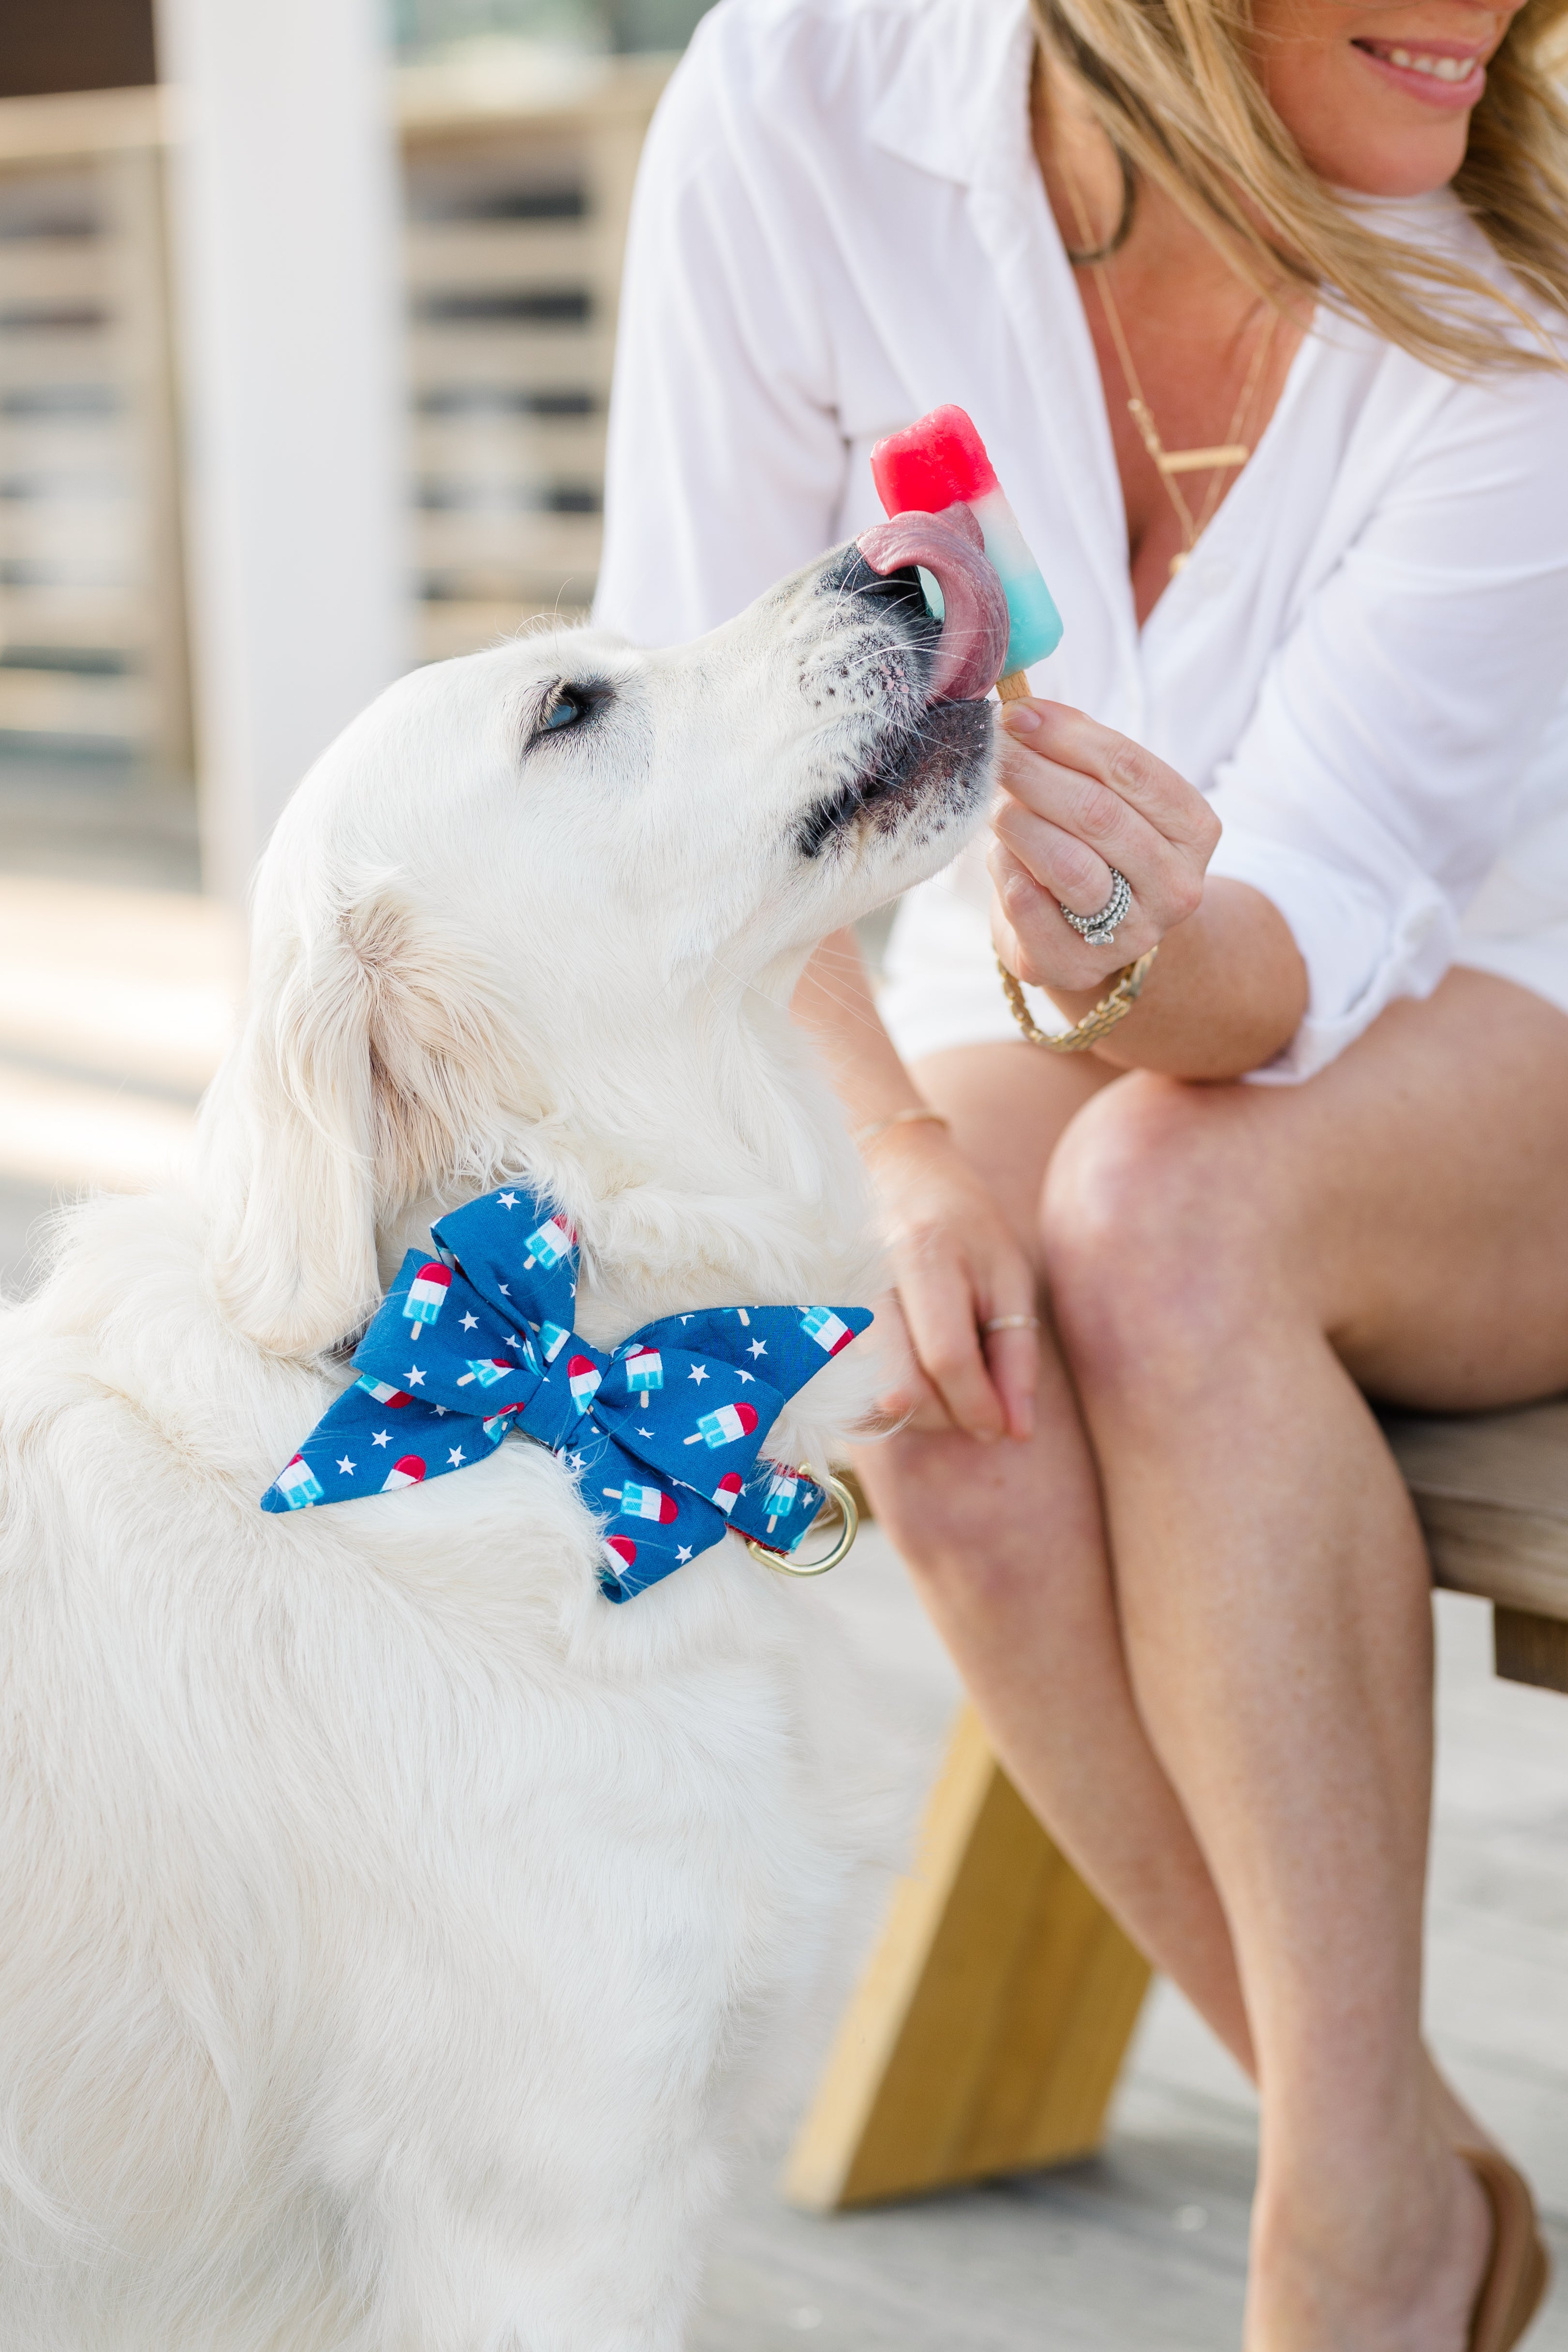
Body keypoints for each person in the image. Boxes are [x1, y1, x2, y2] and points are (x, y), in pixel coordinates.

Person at [592, 0, 1568, 2339]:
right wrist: (903, 1152)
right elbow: (687, 747)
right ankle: (1387, 2152)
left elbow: (1284, 951)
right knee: (944, 1337)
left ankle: (1345, 2235)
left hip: (1500, 999)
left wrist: (1126, 959)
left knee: (1158, 1209)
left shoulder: (1513, 322)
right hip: (1075, 997)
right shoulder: (805, 105)